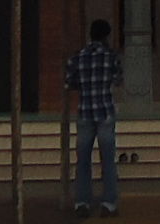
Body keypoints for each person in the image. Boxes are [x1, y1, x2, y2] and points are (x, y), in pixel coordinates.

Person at [64, 17, 123, 218]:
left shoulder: (77, 57)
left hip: (85, 112)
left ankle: (82, 202)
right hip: (105, 112)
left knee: (83, 161)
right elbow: (119, 79)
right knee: (108, 160)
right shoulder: (111, 57)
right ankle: (109, 203)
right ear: (106, 35)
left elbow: (69, 83)